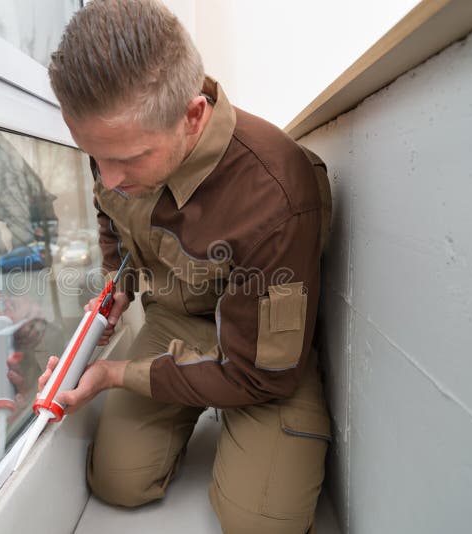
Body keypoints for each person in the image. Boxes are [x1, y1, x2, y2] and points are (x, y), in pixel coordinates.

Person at [37, 1, 332, 532]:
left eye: (127, 160)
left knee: (261, 525)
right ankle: (195, 402)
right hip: (177, 320)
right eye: (93, 155)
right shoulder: (118, 138)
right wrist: (117, 289)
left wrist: (113, 375)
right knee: (117, 482)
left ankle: (228, 419)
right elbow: (114, 218)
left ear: (192, 116)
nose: (107, 177)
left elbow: (260, 373)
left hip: (255, 354)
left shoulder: (276, 192)